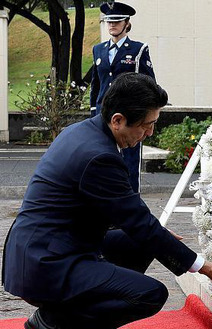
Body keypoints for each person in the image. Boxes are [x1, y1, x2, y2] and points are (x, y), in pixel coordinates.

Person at [1, 73, 212, 329]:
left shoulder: (85, 132)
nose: (150, 133)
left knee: (144, 243)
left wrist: (158, 237)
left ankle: (91, 327)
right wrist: (204, 267)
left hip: (50, 247)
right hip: (46, 263)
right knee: (151, 294)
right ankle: (53, 320)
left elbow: (126, 213)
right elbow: (139, 223)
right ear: (118, 120)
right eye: (147, 125)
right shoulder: (98, 156)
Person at [90, 1, 154, 192]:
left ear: (127, 23)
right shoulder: (98, 50)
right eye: (109, 21)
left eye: (117, 21)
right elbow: (97, 85)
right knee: (103, 158)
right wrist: (93, 112)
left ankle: (131, 201)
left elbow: (149, 83)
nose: (112, 25)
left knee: (129, 161)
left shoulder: (138, 49)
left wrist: (146, 117)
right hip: (103, 114)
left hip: (129, 115)